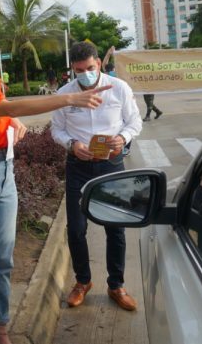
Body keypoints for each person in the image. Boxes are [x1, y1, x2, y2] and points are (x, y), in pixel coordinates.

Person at [0, 13, 110, 344]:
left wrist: (9, 124)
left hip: (4, 170)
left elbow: (0, 115)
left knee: (3, 259)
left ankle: (0, 326)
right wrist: (69, 98)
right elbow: (9, 107)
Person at [50, 41, 143, 312]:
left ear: (99, 64)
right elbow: (57, 130)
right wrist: (71, 144)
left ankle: (116, 285)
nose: (85, 75)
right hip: (78, 167)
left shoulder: (119, 89)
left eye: (90, 68)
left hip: (111, 165)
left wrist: (122, 138)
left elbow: (134, 121)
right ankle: (83, 282)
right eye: (79, 71)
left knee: (116, 227)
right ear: (72, 69)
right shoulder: (64, 94)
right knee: (76, 229)